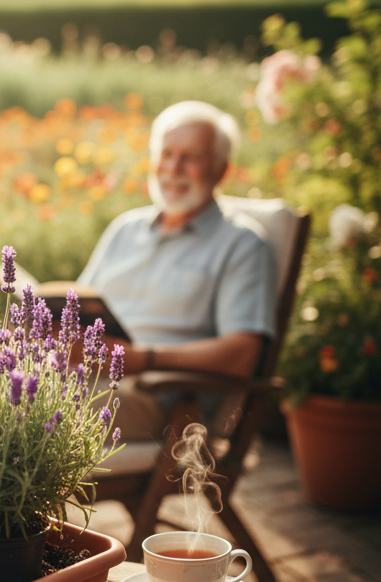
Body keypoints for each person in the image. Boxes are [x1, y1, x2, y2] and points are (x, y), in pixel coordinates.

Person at [76, 100, 276, 439]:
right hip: (85, 376)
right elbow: (76, 304)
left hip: (159, 401)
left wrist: (145, 358)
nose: (173, 167)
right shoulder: (125, 228)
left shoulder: (242, 244)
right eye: (166, 153)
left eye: (191, 157)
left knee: (26, 404)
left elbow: (242, 355)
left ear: (221, 170)